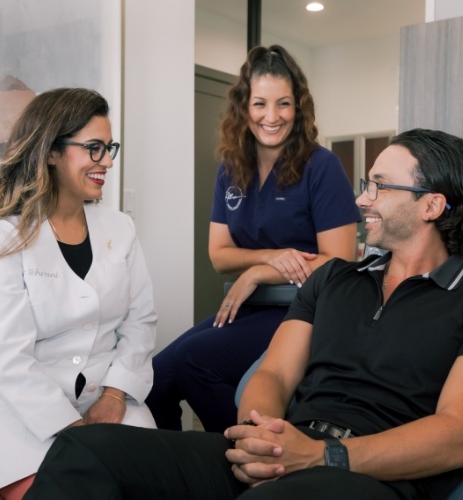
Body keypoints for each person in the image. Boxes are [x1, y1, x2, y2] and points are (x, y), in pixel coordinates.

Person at [24, 128, 463, 500]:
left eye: (379, 186)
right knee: (86, 448)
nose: (363, 200)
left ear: (431, 205)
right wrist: (264, 436)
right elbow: (271, 374)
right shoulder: (333, 279)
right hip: (286, 447)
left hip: (366, 475)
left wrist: (322, 456)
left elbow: (455, 433)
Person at [146, 45, 361, 432]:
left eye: (284, 104)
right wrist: (270, 259)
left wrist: (260, 273)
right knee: (155, 379)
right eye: (260, 103)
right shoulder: (231, 169)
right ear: (244, 107)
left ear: (299, 108)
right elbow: (219, 255)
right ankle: (180, 471)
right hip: (249, 307)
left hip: (304, 312)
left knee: (195, 361)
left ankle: (245, 462)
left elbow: (340, 260)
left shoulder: (321, 166)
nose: (272, 116)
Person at [0, 88, 157, 499]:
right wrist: (72, 431)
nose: (108, 162)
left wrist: (115, 395)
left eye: (109, 148)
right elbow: (10, 357)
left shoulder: (119, 229)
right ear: (51, 153)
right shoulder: (0, 239)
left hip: (110, 403)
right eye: (94, 149)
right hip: (24, 414)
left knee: (155, 484)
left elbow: (141, 323)